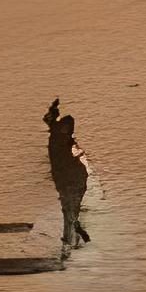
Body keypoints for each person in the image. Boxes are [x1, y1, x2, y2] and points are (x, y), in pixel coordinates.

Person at [44, 99, 93, 251]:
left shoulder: (57, 137)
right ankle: (73, 236)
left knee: (69, 208)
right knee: (70, 208)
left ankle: (72, 237)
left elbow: (49, 121)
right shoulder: (59, 136)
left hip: (68, 177)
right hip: (70, 176)